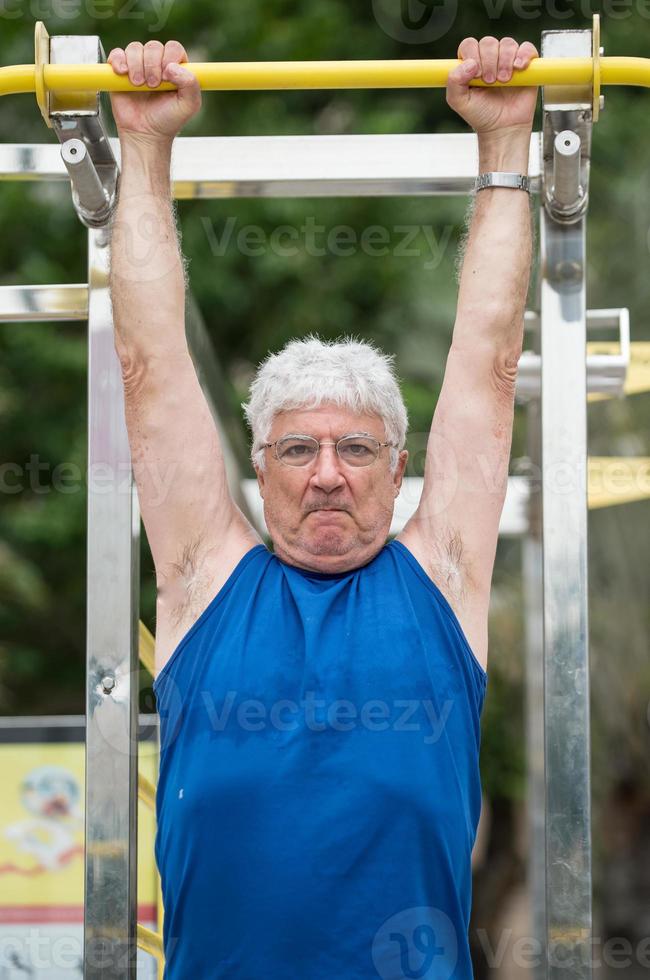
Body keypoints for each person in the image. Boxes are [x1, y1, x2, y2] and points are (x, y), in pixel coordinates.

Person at [107, 34, 538, 980]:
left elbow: (489, 363)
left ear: (398, 468)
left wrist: (506, 147)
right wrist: (143, 149)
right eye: (299, 448)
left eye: (357, 448)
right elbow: (147, 367)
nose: (329, 472)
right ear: (261, 467)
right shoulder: (203, 575)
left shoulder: (444, 574)